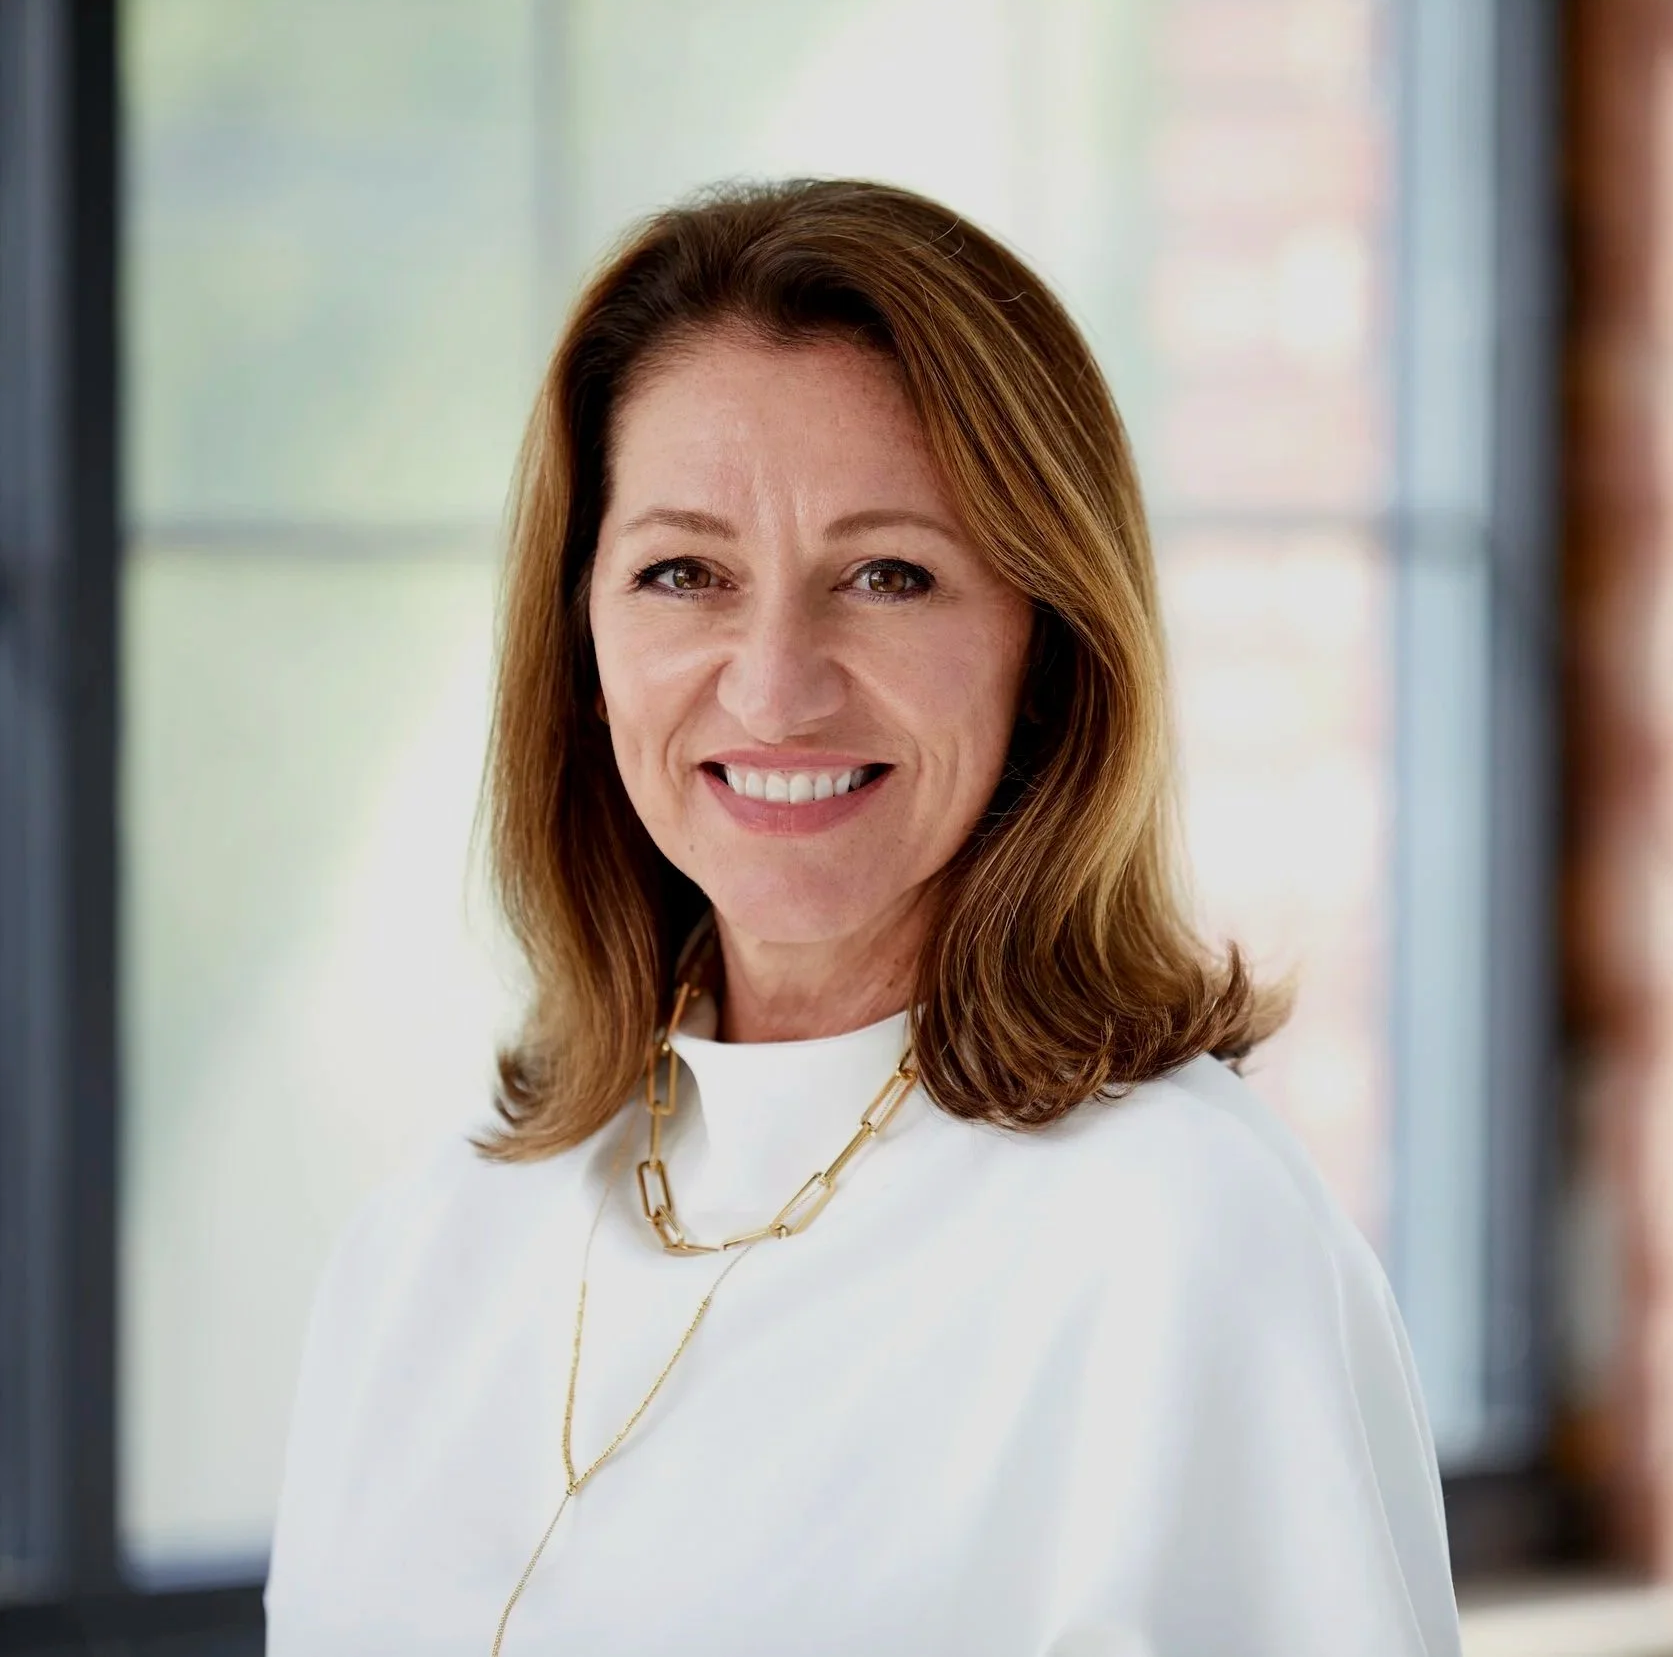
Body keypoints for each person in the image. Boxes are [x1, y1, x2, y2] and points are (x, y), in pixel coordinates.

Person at [259, 178, 1460, 1655]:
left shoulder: (1185, 1241)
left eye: (889, 575)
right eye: (683, 572)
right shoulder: (429, 1244)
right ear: (582, 641)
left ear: (1051, 647)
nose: (773, 685)